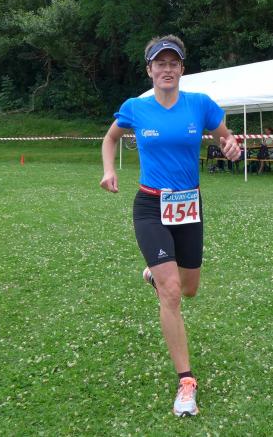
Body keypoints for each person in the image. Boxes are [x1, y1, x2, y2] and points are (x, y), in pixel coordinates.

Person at [99, 34, 240, 417]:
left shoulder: (200, 105)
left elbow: (227, 139)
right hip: (150, 206)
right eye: (159, 63)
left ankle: (154, 274)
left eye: (173, 63)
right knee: (173, 293)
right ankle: (186, 382)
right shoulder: (135, 108)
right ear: (149, 70)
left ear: (182, 69)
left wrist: (232, 147)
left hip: (189, 207)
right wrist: (109, 170)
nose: (167, 69)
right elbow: (110, 139)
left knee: (189, 289)